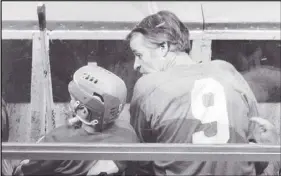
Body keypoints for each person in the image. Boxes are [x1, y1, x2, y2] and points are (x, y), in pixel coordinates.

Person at [126, 10, 275, 175]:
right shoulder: (227, 71)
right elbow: (259, 150)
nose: (136, 65)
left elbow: (139, 159)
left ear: (163, 47)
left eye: (139, 55)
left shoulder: (148, 85)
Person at [13, 64, 139, 176]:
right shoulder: (128, 132)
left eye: (73, 99)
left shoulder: (57, 140)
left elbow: (23, 172)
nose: (71, 101)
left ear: (84, 111)